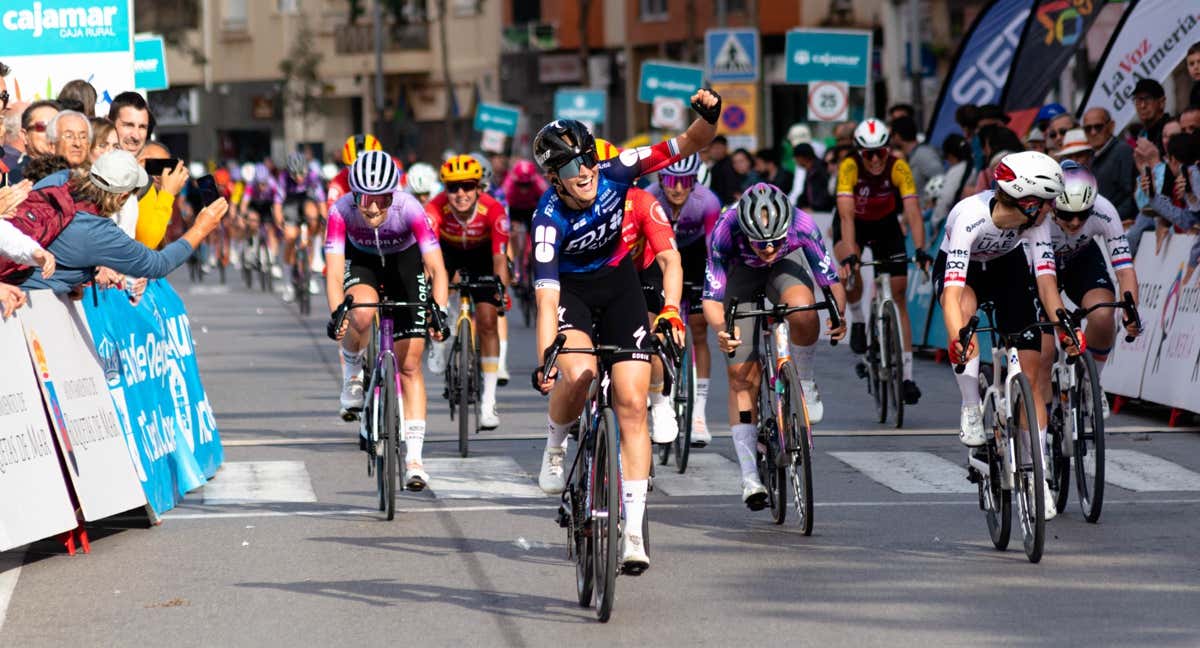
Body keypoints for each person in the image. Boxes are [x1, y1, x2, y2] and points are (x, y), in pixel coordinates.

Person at [530, 90, 720, 572]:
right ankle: (555, 445)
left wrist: (709, 116)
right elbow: (547, 297)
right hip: (572, 293)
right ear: (555, 179)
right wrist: (545, 358)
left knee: (633, 402)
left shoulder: (618, 171)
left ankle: (633, 531)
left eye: (589, 160)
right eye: (573, 169)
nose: (586, 172)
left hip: (620, 288)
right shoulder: (547, 219)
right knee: (579, 375)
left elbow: (688, 143)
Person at [934, 150, 1077, 521]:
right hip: (966, 275)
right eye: (1047, 203)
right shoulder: (969, 215)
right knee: (966, 320)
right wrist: (958, 338)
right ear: (1029, 202)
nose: (1052, 211)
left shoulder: (1035, 223)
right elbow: (951, 294)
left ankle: (1038, 475)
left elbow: (1046, 283)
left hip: (1006, 268)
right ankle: (969, 406)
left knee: (1030, 374)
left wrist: (1063, 324)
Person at [703, 183, 846, 507]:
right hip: (741, 275)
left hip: (786, 270)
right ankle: (750, 476)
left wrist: (839, 317)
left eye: (774, 242)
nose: (767, 249)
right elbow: (712, 298)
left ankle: (805, 381)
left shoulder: (802, 224)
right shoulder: (725, 230)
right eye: (760, 243)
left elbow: (831, 281)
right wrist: (722, 330)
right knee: (740, 374)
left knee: (805, 310)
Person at [324, 151, 450, 491]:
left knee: (410, 366)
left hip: (404, 264)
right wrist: (338, 313)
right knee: (361, 313)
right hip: (362, 262)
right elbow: (334, 272)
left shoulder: (410, 208)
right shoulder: (340, 212)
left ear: (394, 194)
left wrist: (439, 309)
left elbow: (437, 267)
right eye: (366, 198)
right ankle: (352, 373)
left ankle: (415, 460)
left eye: (382, 199)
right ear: (354, 194)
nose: (374, 208)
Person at [19, 151, 226, 294]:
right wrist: (201, 228)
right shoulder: (98, 231)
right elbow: (157, 264)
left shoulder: (61, 178)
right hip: (30, 302)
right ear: (122, 196)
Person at [834, 118, 929, 404]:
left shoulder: (899, 166)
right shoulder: (848, 167)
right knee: (848, 269)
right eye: (868, 154)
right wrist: (852, 254)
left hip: (886, 225)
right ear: (859, 152)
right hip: (857, 226)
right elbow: (847, 216)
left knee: (898, 294)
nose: (875, 160)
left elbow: (912, 211)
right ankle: (860, 320)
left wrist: (921, 248)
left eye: (880, 153)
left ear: (888, 150)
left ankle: (908, 377)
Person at [1040, 161, 1139, 418]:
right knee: (1043, 345)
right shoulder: (1038, 216)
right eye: (1065, 214)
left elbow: (1125, 269)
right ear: (1052, 207)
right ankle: (1042, 415)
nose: (1075, 222)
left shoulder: (1105, 210)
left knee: (1105, 314)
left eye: (1083, 214)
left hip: (1081, 260)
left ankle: (1090, 384)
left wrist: (1131, 311)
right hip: (1041, 265)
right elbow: (1046, 284)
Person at [424, 154, 510, 430]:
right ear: (444, 190)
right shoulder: (435, 208)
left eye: (467, 186)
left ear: (478, 187)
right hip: (446, 253)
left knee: (487, 321)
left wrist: (501, 290)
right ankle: (438, 342)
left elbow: (500, 259)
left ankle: (488, 402)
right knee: (433, 291)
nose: (460, 194)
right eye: (452, 188)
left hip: (481, 255)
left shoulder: (494, 210)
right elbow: (428, 257)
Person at [646, 154, 723, 439]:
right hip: (657, 257)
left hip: (695, 256)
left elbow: (714, 251)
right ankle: (655, 389)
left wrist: (714, 289)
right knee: (654, 322)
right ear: (660, 180)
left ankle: (699, 415)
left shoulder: (708, 202)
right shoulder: (650, 197)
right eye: (671, 181)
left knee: (700, 329)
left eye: (685, 181)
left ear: (695, 181)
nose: (677, 188)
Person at [279, 152, 327, 301]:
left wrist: (324, 219)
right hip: (290, 204)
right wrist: (280, 220)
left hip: (307, 201)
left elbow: (320, 200)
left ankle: (310, 271)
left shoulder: (313, 176)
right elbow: (277, 203)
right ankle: (287, 281)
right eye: (295, 174)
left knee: (313, 215)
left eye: (302, 173)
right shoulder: (284, 178)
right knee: (290, 236)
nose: (299, 177)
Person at [1083, 107, 1137, 225]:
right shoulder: (1091, 157)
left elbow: (1130, 196)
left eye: (1098, 127)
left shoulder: (1123, 151)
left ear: (1111, 126)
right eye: (1088, 128)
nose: (1093, 132)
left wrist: (1108, 220)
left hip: (1117, 227)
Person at [890, 115, 943, 204]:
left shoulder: (923, 154)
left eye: (891, 135)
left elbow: (941, 179)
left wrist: (930, 209)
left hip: (926, 215)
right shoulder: (911, 156)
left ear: (898, 136)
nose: (890, 140)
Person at [327, 133, 383, 211]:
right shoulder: (338, 183)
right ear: (346, 166)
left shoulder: (388, 176)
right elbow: (332, 213)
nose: (362, 173)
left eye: (369, 167)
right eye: (355, 168)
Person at [1133, 79, 1171, 156]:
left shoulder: (1171, 131)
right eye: (1138, 100)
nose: (1142, 106)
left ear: (1161, 102)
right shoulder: (1140, 136)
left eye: (1148, 99)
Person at [791, 143, 833, 212]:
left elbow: (826, 194)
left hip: (823, 213)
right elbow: (805, 194)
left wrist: (815, 208)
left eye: (796, 158)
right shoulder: (810, 171)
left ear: (803, 157)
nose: (795, 161)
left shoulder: (821, 170)